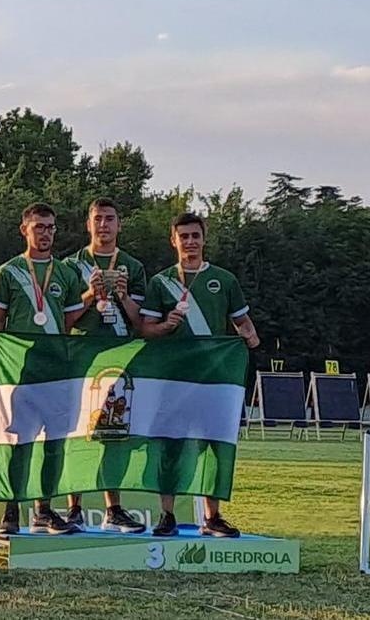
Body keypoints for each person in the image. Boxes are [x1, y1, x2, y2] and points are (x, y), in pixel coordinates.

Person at [140, 212, 259, 538]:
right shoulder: (160, 282)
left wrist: (250, 336)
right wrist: (167, 326)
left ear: (204, 239)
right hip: (173, 379)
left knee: (214, 445)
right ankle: (167, 515)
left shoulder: (224, 280)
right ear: (173, 240)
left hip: (213, 379)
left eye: (195, 236)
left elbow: (242, 322)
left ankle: (213, 517)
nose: (190, 242)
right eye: (184, 236)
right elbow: (146, 331)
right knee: (170, 447)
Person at [0, 203, 86, 535]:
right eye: (39, 226)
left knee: (55, 442)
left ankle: (45, 509)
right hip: (23, 369)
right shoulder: (9, 271)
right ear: (24, 229)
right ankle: (12, 509)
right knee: (21, 441)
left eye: (51, 227)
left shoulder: (66, 273)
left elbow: (68, 320)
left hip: (56, 368)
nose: (45, 233)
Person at [61, 197, 148, 533]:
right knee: (78, 432)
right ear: (88, 224)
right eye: (98, 219)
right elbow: (64, 320)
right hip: (82, 354)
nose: (103, 225)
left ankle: (114, 509)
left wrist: (124, 297)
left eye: (110, 219)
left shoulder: (133, 266)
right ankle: (74, 509)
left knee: (114, 432)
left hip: (119, 355)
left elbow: (141, 322)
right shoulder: (70, 265)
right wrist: (87, 295)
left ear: (119, 224)